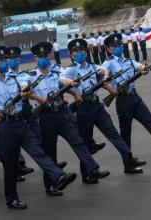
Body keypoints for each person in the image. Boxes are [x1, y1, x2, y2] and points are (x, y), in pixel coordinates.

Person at [0, 46, 76, 209]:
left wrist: (25, 90)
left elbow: (25, 85)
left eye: (5, 60)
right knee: (11, 164)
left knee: (38, 151)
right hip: (5, 126)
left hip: (21, 123)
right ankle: (11, 199)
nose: (4, 63)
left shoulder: (14, 78)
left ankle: (58, 176)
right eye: (0, 61)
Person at [25, 42, 110, 187]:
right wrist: (38, 99)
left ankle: (92, 170)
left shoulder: (57, 71)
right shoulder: (30, 76)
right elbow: (24, 91)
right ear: (35, 58)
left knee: (78, 141)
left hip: (62, 113)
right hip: (46, 116)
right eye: (41, 57)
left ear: (51, 56)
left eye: (46, 55)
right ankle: (51, 185)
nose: (44, 58)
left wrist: (72, 89)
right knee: (50, 150)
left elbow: (63, 82)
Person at [62, 39, 145, 174]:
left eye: (82, 51)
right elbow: (63, 81)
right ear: (71, 54)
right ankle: (88, 174)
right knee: (85, 142)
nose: (80, 54)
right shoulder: (71, 69)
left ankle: (129, 159)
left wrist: (108, 81)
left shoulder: (91, 66)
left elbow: (103, 73)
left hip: (97, 106)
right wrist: (73, 88)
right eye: (76, 52)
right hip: (83, 108)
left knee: (114, 135)